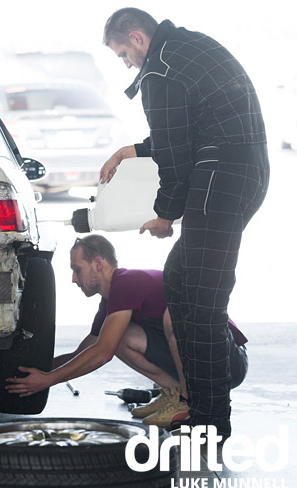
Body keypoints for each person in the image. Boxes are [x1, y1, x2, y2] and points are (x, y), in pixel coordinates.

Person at [97, 8, 268, 438]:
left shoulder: (160, 70)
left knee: (201, 303)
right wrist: (129, 150)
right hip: (242, 172)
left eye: (123, 54)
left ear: (136, 39)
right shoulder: (186, 47)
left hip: (220, 178)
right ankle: (196, 397)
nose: (127, 63)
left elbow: (176, 153)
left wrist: (164, 214)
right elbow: (186, 129)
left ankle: (211, 417)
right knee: (180, 283)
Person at [5, 235, 248, 428]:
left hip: (225, 361)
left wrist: (48, 381)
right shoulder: (112, 300)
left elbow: (103, 353)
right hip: (205, 365)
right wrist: (35, 370)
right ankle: (174, 392)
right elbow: (86, 351)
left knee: (166, 318)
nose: (73, 279)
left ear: (98, 263)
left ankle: (186, 401)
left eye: (77, 269)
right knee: (114, 336)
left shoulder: (127, 282)